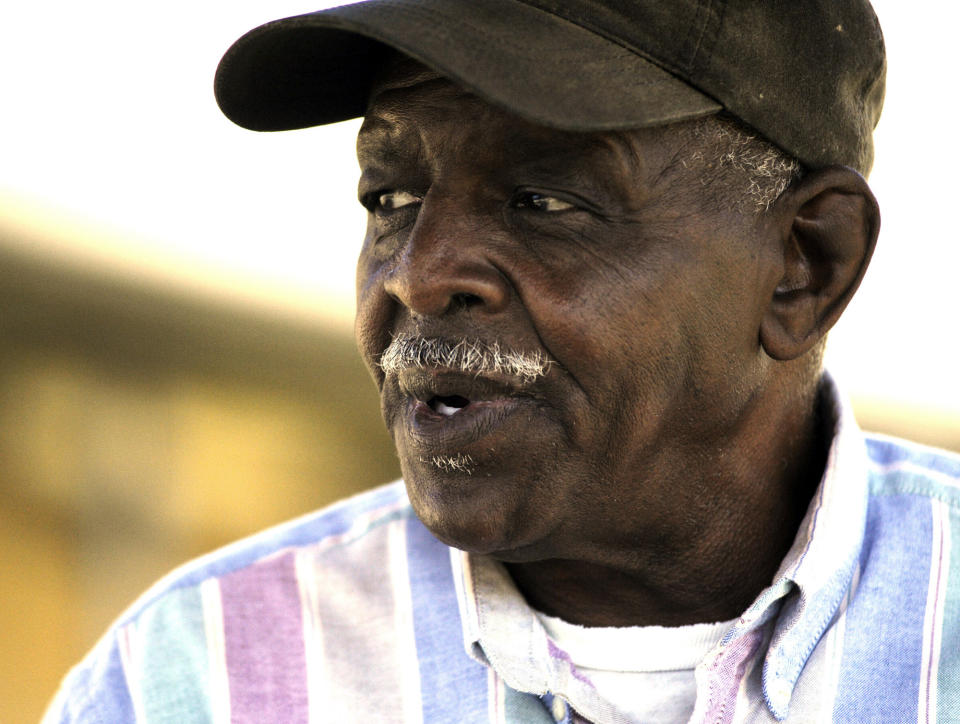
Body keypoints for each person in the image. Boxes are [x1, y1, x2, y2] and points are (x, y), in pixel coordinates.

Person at [45, 1, 960, 722]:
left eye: (545, 201)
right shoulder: (190, 680)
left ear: (807, 266)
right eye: (391, 195)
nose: (418, 273)